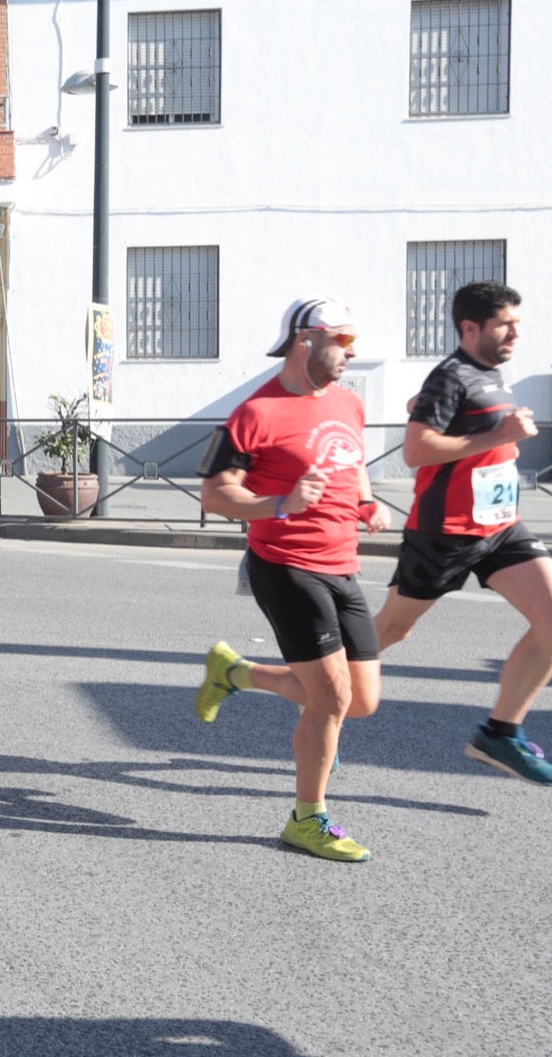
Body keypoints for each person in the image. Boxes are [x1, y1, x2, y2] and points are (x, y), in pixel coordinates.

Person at [193, 297, 390, 862]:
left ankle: (234, 672)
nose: (352, 351)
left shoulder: (349, 403)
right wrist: (279, 502)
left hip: (342, 564)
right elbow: (215, 493)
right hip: (285, 565)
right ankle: (308, 818)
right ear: (306, 339)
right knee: (331, 698)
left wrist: (367, 501)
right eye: (343, 340)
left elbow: (351, 461)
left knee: (363, 701)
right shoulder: (255, 413)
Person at [371, 282, 552, 785]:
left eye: (517, 324)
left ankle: (499, 735)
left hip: (500, 527)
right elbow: (416, 451)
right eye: (506, 324)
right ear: (470, 328)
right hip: (446, 532)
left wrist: (497, 443)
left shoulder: (490, 373)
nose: (516, 334)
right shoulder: (450, 375)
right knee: (391, 631)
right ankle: (276, 675)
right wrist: (499, 436)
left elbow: (456, 425)